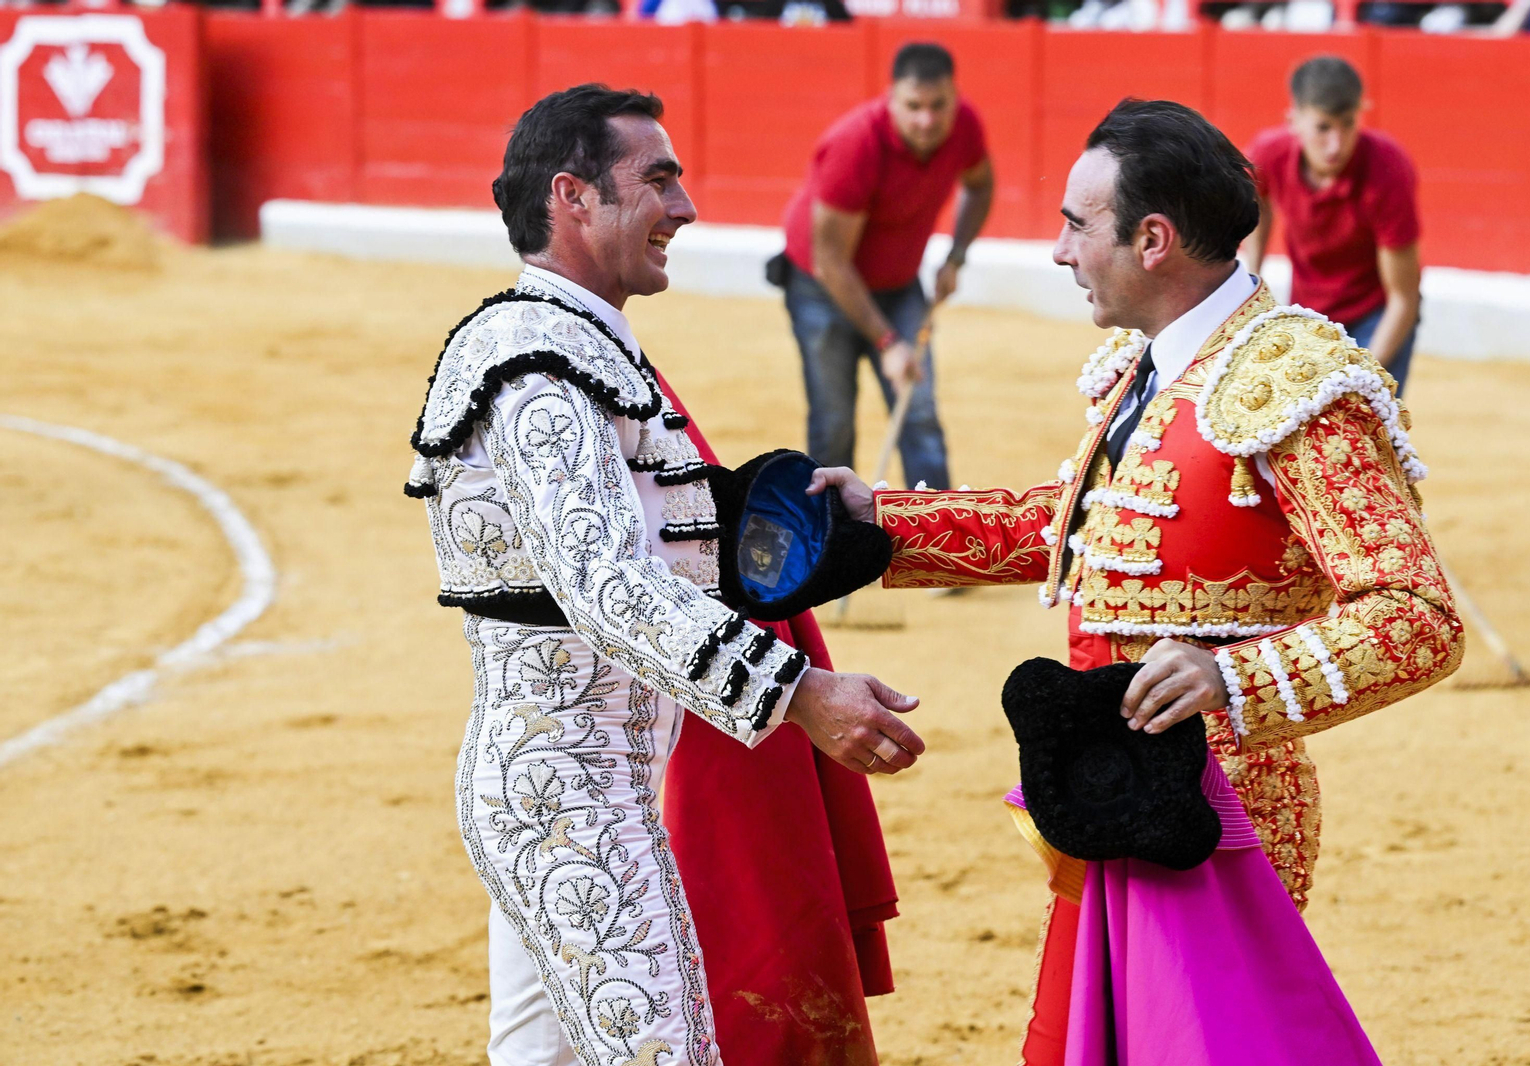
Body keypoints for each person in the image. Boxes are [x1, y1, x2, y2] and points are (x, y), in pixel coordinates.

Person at [813, 98, 1464, 1063]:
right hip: (1105, 784)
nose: (1060, 251)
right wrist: (886, 525)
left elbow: (1418, 616)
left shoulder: (1290, 386)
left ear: (1153, 240)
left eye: (1078, 224)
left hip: (1222, 807)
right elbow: (1084, 527)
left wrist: (1233, 680)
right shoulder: (1147, 366)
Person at [404, 84, 925, 1066]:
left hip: (576, 782)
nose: (683, 207)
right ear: (573, 197)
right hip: (569, 798)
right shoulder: (536, 363)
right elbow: (603, 581)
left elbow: (643, 549)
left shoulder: (573, 347)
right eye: (657, 180)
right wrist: (800, 690)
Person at [776, 41, 994, 490]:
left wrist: (956, 255)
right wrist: (888, 341)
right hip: (820, 288)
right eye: (913, 105)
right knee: (833, 421)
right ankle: (833, 542)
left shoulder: (965, 126)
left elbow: (981, 184)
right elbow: (830, 262)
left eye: (938, 105)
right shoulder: (855, 143)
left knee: (919, 414)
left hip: (898, 284)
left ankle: (942, 537)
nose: (926, 120)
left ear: (955, 95)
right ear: (891, 96)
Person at [1241, 56, 1423, 394]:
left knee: (1371, 424)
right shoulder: (1269, 154)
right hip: (1309, 313)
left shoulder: (1388, 172)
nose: (1336, 145)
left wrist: (1365, 380)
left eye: (1348, 124)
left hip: (1376, 314)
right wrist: (1253, 274)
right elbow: (1256, 200)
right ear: (1294, 121)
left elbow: (1403, 299)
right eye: (1323, 128)